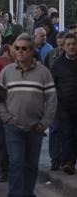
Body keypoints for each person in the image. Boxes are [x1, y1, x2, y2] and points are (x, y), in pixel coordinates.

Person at [0, 33, 57, 197]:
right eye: (17, 48)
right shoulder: (7, 72)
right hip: (13, 127)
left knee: (31, 165)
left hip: (36, 127)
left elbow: (51, 100)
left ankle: (28, 194)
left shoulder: (44, 73)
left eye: (24, 48)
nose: (20, 51)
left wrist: (45, 123)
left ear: (32, 50)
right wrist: (6, 118)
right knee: (16, 163)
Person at [50, 33, 77, 175]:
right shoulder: (58, 64)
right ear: (64, 47)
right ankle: (67, 162)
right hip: (64, 106)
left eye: (74, 44)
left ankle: (70, 161)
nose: (72, 47)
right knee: (67, 133)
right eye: (69, 44)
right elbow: (52, 85)